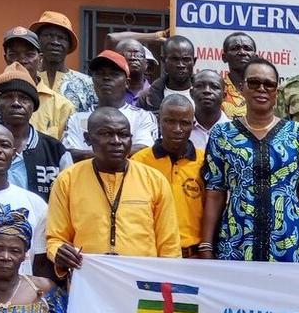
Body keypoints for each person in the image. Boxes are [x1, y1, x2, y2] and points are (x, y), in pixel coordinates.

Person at [202, 57, 299, 262]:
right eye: (254, 83)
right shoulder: (222, 134)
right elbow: (215, 192)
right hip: (238, 240)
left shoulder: (298, 133)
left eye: (269, 84)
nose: (261, 89)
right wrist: (206, 244)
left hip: (291, 242)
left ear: (276, 91)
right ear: (241, 87)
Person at [47, 106, 181, 274]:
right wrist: (59, 253)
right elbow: (55, 239)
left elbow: (169, 245)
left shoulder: (154, 180)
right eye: (106, 134)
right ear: (88, 139)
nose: (117, 141)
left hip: (142, 280)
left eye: (123, 135)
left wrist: (168, 280)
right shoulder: (68, 179)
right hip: (89, 279)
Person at [0, 123, 50, 282]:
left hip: (19, 297)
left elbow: (40, 266)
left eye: (4, 145)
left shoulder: (35, 204)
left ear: (13, 154)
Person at [131, 95, 205, 258]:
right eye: (170, 121)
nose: (177, 129)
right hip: (150, 256)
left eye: (184, 123)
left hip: (193, 257)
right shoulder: (139, 162)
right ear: (159, 121)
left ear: (193, 125)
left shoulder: (204, 162)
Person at [0, 62, 72, 201]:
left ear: (33, 106)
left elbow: (70, 197)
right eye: (8, 97)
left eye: (24, 98)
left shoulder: (55, 150)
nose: (16, 103)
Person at [62, 50, 157, 160]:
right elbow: (71, 154)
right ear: (93, 81)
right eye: (100, 73)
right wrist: (116, 154)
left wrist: (99, 155)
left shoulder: (143, 117)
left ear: (127, 83)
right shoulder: (76, 119)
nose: (106, 78)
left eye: (114, 74)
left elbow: (144, 151)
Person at [1, 26, 74, 140]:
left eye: (29, 54)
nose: (21, 60)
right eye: (13, 54)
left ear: (40, 59)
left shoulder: (62, 106)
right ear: (6, 58)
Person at [29, 10, 96, 112]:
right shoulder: (26, 79)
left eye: (61, 38)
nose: (55, 42)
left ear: (69, 45)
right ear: (37, 41)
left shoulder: (87, 84)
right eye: (49, 35)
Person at [137, 35, 196, 113]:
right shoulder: (146, 97)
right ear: (163, 61)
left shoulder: (205, 95)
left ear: (194, 61)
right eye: (174, 59)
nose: (180, 65)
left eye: (186, 60)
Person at [189, 69, 231, 150]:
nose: (207, 91)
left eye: (214, 87)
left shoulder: (236, 132)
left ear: (224, 96)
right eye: (200, 86)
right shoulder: (181, 130)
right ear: (191, 93)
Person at [220, 31, 256, 118]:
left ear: (255, 57)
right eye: (235, 48)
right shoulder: (217, 89)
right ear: (224, 57)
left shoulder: (265, 90)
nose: (242, 52)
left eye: (247, 48)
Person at [115, 38, 150, 106]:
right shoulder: (110, 93)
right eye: (127, 54)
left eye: (138, 55)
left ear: (146, 64)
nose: (133, 58)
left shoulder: (156, 93)